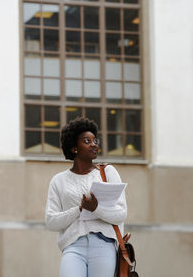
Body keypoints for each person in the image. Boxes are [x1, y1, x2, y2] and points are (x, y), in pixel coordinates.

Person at [45, 117, 127, 277]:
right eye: (87, 141)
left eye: (95, 140)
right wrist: (79, 209)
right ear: (74, 148)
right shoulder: (58, 180)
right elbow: (51, 221)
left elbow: (121, 214)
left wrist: (96, 208)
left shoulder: (108, 172)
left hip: (104, 246)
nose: (94, 144)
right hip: (73, 246)